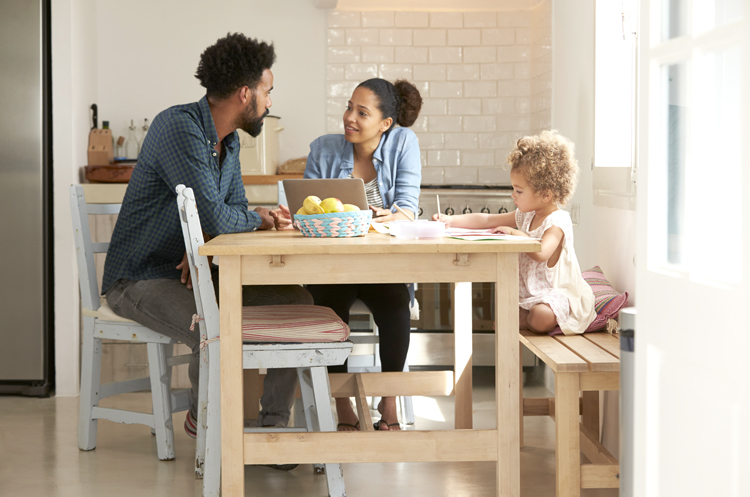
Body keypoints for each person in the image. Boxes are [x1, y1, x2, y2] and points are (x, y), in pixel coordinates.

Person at [102, 34, 310, 455]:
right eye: (268, 92)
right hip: (138, 278)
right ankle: (208, 421)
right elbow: (220, 216)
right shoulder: (179, 127)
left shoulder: (229, 141)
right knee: (212, 326)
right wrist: (253, 220)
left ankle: (272, 432)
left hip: (190, 272)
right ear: (245, 93)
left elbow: (224, 214)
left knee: (297, 301)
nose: (270, 103)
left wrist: (210, 235)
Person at [302, 78, 423, 431]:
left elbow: (409, 209)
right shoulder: (324, 149)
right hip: (333, 265)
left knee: (396, 305)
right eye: (348, 107)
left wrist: (396, 214)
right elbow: (304, 212)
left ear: (385, 123)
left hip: (382, 264)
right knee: (327, 307)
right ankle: (342, 404)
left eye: (361, 112)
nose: (349, 118)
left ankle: (389, 400)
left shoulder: (403, 143)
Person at [433, 130, 596, 335]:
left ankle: (526, 320)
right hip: (530, 295)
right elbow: (488, 219)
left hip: (555, 294)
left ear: (546, 194)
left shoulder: (557, 221)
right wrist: (451, 220)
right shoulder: (526, 216)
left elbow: (542, 252)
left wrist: (516, 235)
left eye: (519, 191)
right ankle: (523, 317)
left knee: (541, 317)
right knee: (506, 308)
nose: (513, 195)